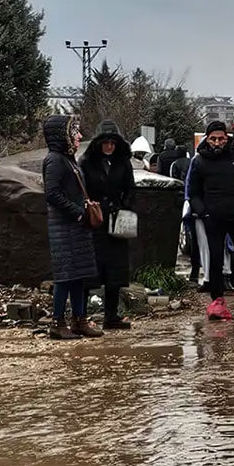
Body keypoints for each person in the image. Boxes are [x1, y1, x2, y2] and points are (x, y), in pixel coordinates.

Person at [187, 121, 234, 320]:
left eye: (221, 138)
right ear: (207, 139)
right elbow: (193, 192)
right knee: (216, 257)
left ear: (227, 138)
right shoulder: (200, 161)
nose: (217, 142)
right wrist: (203, 212)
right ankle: (217, 300)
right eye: (213, 139)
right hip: (213, 217)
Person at [41, 114, 103, 340]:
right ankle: (57, 323)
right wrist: (77, 213)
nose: (79, 136)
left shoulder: (68, 159)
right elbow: (52, 194)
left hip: (76, 227)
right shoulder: (55, 160)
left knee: (79, 276)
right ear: (62, 135)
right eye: (74, 131)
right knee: (65, 277)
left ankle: (80, 320)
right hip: (65, 228)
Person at [79, 119, 136, 330]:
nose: (109, 146)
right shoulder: (87, 162)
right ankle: (81, 315)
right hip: (94, 221)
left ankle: (111, 315)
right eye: (105, 142)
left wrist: (124, 205)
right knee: (90, 270)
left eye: (113, 142)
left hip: (116, 220)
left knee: (115, 272)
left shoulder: (122, 163)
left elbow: (130, 187)